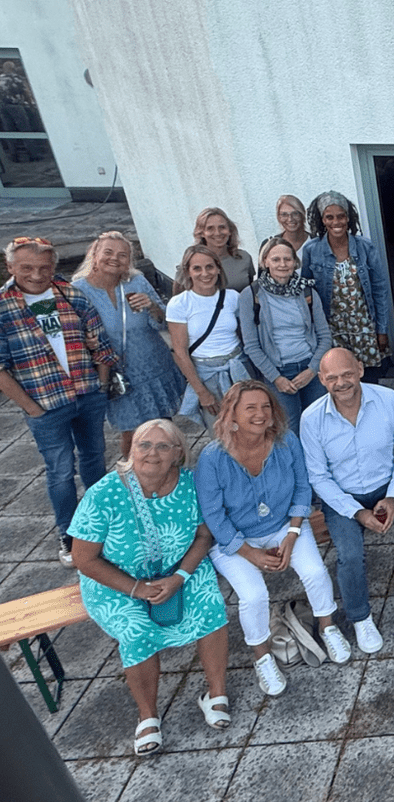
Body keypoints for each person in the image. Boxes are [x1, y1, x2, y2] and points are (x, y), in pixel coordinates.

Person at [68, 419, 230, 755]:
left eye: (162, 446)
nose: (151, 453)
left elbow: (204, 536)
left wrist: (180, 577)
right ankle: (148, 715)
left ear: (177, 454)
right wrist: (136, 589)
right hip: (117, 581)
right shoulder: (104, 494)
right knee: (135, 630)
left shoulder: (190, 484)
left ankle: (215, 693)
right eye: (144, 445)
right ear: (131, 450)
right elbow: (84, 559)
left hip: (179, 569)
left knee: (211, 606)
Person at [196, 382, 350, 696]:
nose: (261, 414)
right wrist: (249, 553)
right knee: (252, 595)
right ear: (232, 415)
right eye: (250, 408)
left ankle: (328, 627)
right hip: (234, 539)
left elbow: (302, 488)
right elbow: (213, 516)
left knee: (316, 572)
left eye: (265, 407)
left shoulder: (285, 441)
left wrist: (293, 534)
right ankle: (262, 657)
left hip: (283, 525)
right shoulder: (212, 458)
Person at [301, 348, 394, 654]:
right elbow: (318, 477)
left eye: (347, 374)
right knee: (350, 555)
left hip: (390, 483)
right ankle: (360, 617)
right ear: (321, 380)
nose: (341, 383)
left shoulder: (387, 399)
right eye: (332, 378)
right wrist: (356, 512)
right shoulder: (311, 418)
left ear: (359, 368)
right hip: (343, 496)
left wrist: (393, 496)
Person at [0, 237, 118, 567]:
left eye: (44, 267)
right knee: (61, 471)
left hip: (87, 394)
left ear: (54, 267)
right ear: (11, 268)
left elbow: (101, 344)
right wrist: (31, 407)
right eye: (26, 268)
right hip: (45, 404)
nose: (37, 275)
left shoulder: (71, 294)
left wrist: (101, 383)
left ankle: (102, 525)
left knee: (95, 461)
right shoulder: (3, 307)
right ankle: (68, 533)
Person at [71, 231, 184, 459]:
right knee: (132, 434)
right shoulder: (77, 290)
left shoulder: (137, 281)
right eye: (108, 252)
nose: (115, 258)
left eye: (122, 255)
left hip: (152, 367)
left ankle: (171, 477)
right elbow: (70, 331)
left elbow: (163, 319)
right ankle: (133, 480)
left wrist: (152, 306)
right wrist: (86, 341)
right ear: (94, 254)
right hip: (118, 375)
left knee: (164, 428)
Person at [239, 238, 331, 434]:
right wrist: (276, 378)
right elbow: (251, 346)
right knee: (288, 431)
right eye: (276, 259)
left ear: (295, 263)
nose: (282, 264)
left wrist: (312, 370)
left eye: (287, 259)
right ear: (265, 262)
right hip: (278, 372)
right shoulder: (251, 295)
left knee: (319, 426)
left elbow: (324, 337)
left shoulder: (307, 291)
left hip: (310, 369)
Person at [300, 191, 392, 382]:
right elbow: (307, 291)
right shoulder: (312, 250)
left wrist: (382, 330)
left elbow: (380, 290)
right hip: (332, 329)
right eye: (329, 217)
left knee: (369, 379)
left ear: (348, 218)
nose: (336, 222)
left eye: (341, 216)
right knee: (340, 378)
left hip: (365, 326)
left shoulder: (365, 247)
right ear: (322, 220)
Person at [168, 245, 248, 429]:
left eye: (210, 267)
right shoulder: (179, 304)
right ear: (188, 272)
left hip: (238, 367)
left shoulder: (232, 297)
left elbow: (243, 335)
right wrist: (201, 392)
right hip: (207, 374)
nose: (205, 273)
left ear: (218, 268)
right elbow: (180, 352)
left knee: (248, 425)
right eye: (197, 268)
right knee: (221, 432)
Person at [193, 207, 255, 291]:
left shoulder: (244, 258)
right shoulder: (192, 262)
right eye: (210, 228)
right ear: (202, 233)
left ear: (230, 230)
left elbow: (250, 291)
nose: (217, 233)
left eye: (222, 227)